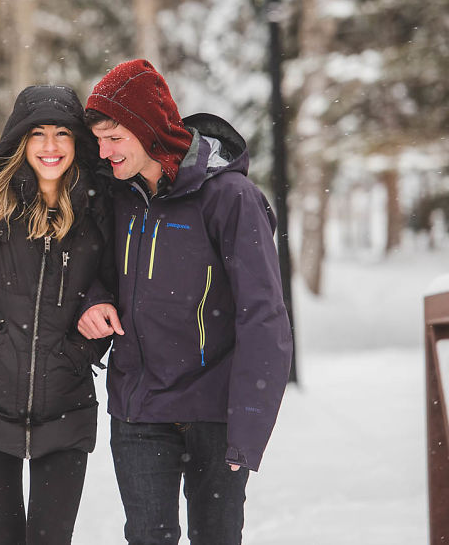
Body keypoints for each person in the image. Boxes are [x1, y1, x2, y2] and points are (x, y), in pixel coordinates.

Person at [77, 59, 293, 545]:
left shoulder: (230, 198)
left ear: (149, 131)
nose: (104, 152)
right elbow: (95, 269)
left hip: (214, 409)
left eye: (115, 138)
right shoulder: (118, 194)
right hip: (139, 406)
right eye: (99, 140)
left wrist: (249, 426)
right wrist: (95, 300)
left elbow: (264, 316)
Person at [0, 85, 115, 545]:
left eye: (62, 134)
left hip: (65, 403)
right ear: (20, 140)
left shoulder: (100, 205)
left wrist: (82, 348)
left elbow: (117, 289)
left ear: (77, 141)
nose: (50, 147)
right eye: (38, 134)